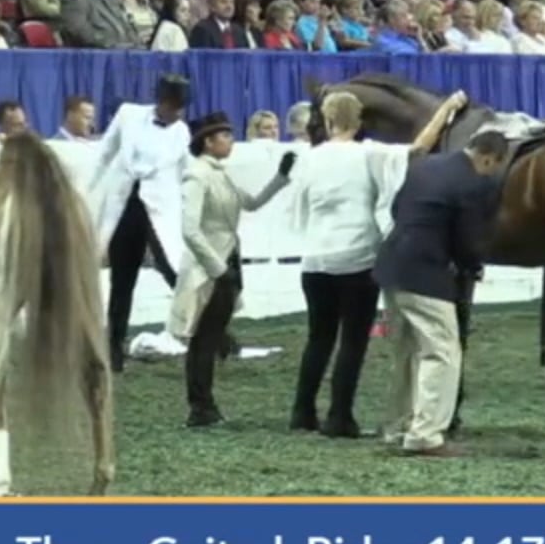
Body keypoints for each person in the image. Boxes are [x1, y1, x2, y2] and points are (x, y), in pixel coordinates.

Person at [289, 90, 464, 437]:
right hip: (356, 256)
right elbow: (418, 149)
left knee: (319, 338)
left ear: (327, 120)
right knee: (353, 340)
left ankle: (303, 410)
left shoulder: (309, 158)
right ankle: (340, 415)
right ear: (359, 122)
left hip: (315, 258)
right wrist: (446, 109)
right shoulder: (368, 153)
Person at [376, 128, 508, 457]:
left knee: (407, 352)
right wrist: (471, 266)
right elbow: (467, 241)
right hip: (427, 274)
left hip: (392, 265)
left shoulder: (425, 166)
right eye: (493, 167)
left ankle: (398, 425)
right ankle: (426, 434)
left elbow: (396, 210)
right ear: (488, 158)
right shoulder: (473, 184)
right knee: (442, 351)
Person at [174, 112, 294, 428]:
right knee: (204, 339)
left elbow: (251, 203)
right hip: (212, 266)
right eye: (224, 136)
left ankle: (204, 404)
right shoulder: (197, 176)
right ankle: (200, 406)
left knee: (210, 337)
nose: (230, 141)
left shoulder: (220, 174)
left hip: (228, 260)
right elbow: (190, 229)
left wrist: (280, 179)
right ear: (208, 142)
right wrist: (215, 267)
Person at [89, 74, 191, 370]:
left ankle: (208, 334)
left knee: (175, 272)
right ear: (162, 102)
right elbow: (105, 153)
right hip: (125, 205)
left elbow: (183, 170)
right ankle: (113, 347)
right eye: (174, 106)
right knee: (122, 278)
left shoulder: (181, 131)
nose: (177, 113)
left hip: (159, 208)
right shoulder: (129, 115)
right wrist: (87, 192)